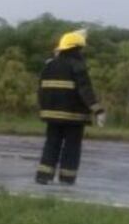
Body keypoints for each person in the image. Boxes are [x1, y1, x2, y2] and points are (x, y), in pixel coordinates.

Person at [35, 30, 105, 185]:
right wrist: (98, 110)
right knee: (72, 147)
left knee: (51, 143)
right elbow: (85, 90)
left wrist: (44, 110)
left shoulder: (49, 65)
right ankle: (67, 178)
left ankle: (43, 176)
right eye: (80, 48)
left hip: (52, 115)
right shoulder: (78, 65)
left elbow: (41, 90)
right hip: (73, 116)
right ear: (75, 49)